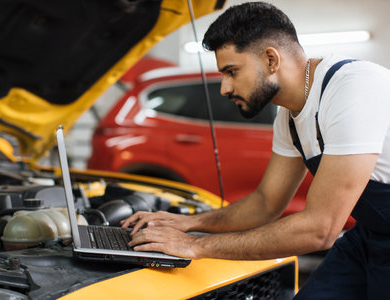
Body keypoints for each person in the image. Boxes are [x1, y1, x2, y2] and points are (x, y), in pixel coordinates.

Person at [120, 2, 390, 298]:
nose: (225, 88)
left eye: (232, 71)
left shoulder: (353, 88)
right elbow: (265, 203)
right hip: (370, 236)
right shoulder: (289, 117)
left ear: (271, 60)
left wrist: (194, 246)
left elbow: (321, 228)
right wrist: (189, 223)